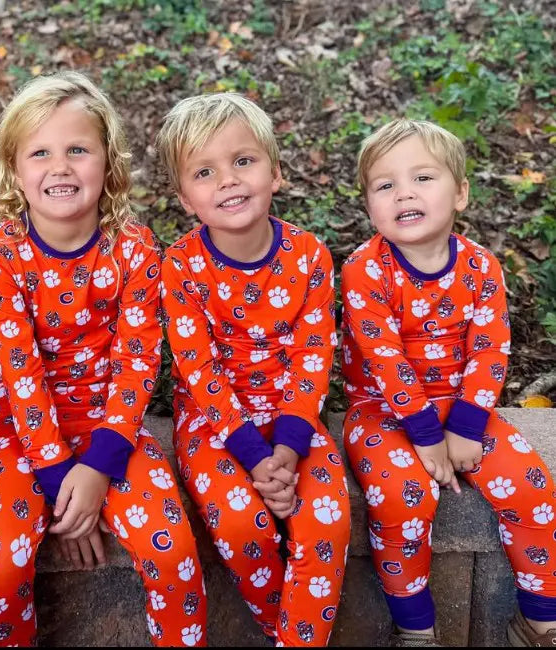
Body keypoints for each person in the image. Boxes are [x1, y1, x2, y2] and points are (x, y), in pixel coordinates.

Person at [0, 71, 207, 647]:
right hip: (26, 429)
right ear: (14, 170)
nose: (60, 166)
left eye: (78, 149)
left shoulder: (133, 248)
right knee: (0, 563)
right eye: (41, 153)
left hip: (113, 423)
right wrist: (60, 485)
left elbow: (136, 362)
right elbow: (19, 372)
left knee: (174, 551)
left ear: (107, 162)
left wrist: (98, 468)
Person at [341, 117, 556, 647]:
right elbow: (384, 359)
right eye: (385, 184)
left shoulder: (482, 267)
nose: (404, 192)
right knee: (402, 499)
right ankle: (417, 632)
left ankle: (539, 621)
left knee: (533, 491)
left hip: (464, 407)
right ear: (370, 205)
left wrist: (464, 427)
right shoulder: (365, 270)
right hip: (383, 413)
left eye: (423, 178)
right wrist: (424, 435)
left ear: (460, 193)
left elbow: (489, 352)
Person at [156, 92, 350, 646]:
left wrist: (286, 451)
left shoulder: (310, 257)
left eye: (243, 161)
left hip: (296, 421)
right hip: (216, 426)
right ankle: (279, 627)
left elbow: (313, 360)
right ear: (186, 198)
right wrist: (256, 460)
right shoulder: (181, 266)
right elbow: (198, 370)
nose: (228, 180)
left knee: (328, 524)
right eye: (205, 171)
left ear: (276, 173)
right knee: (243, 526)